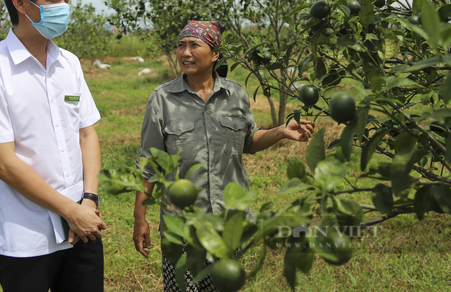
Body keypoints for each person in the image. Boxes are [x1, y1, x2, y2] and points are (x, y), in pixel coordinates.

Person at [132, 20, 315, 292]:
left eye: (195, 45)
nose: (185, 53)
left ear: (215, 54)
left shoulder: (235, 94)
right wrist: (140, 218)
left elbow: (249, 141)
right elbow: (150, 165)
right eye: (181, 46)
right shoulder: (162, 99)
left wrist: (279, 131)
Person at [0, 0, 106, 292]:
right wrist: (71, 210)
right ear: (20, 3)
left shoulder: (68, 63)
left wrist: (89, 199)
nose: (65, 6)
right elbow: (5, 164)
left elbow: (87, 134)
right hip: (27, 233)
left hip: (83, 225)